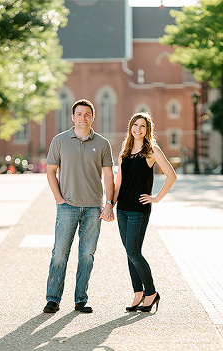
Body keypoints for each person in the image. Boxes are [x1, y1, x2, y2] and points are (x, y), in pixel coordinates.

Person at [43, 99, 115, 314]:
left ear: (93, 117)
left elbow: (109, 175)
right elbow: (50, 171)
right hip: (67, 206)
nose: (83, 117)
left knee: (87, 255)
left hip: (94, 207)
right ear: (72, 117)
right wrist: (59, 199)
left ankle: (80, 299)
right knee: (59, 254)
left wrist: (109, 203)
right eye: (79, 114)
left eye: (87, 114)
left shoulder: (102, 143)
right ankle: (53, 299)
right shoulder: (60, 140)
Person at [113, 113, 176, 313]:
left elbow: (171, 176)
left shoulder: (152, 151)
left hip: (139, 210)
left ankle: (151, 293)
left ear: (148, 130)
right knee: (130, 253)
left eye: (142, 126)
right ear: (130, 127)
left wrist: (156, 198)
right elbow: (119, 182)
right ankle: (138, 293)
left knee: (134, 252)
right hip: (122, 209)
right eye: (135, 125)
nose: (138, 129)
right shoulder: (124, 151)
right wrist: (110, 204)